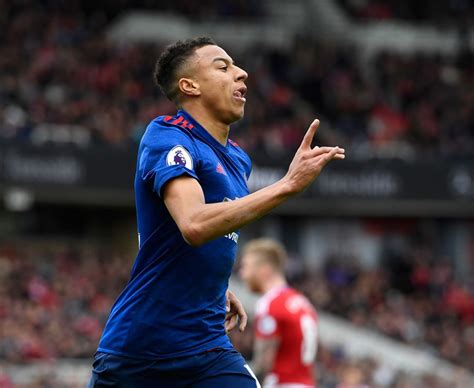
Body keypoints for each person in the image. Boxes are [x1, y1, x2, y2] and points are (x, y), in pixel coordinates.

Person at [89, 36, 344, 387]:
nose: (242, 74)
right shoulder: (167, 136)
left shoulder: (238, 159)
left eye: (237, 66)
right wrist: (287, 185)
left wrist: (213, 284)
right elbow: (193, 224)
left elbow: (201, 234)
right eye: (223, 67)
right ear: (189, 85)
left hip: (207, 346)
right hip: (141, 350)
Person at [240, 239, 319, 387]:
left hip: (283, 383)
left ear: (264, 270)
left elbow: (263, 360)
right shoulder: (303, 302)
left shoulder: (270, 304)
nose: (242, 274)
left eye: (246, 267)